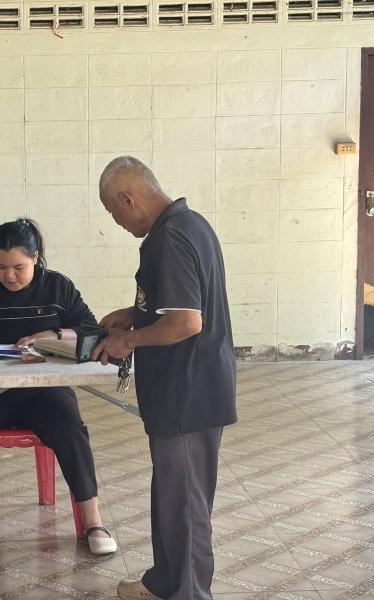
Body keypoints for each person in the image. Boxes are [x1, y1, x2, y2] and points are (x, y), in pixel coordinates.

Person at [92, 156, 237, 600]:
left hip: (187, 391)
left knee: (186, 504)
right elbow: (177, 304)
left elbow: (186, 322)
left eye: (113, 213)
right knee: (173, 496)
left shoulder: (172, 236)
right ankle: (165, 583)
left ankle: (188, 593)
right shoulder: (189, 224)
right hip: (187, 388)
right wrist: (132, 314)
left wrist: (129, 340)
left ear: (128, 199)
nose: (117, 223)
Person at [0, 218, 117, 556]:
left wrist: (54, 334)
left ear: (35, 258)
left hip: (46, 392)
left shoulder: (58, 288)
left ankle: (93, 521)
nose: (9, 275)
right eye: (0, 266)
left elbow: (93, 332)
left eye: (18, 267)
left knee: (71, 429)